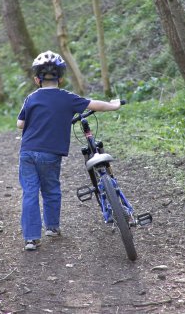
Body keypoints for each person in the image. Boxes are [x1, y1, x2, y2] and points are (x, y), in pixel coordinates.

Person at [17, 50, 121, 251]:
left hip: (28, 152)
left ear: (36, 79)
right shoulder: (67, 97)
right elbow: (94, 104)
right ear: (61, 79)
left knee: (29, 192)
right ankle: (52, 228)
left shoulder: (31, 98)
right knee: (51, 189)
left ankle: (31, 239)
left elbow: (20, 124)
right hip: (50, 153)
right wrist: (113, 105)